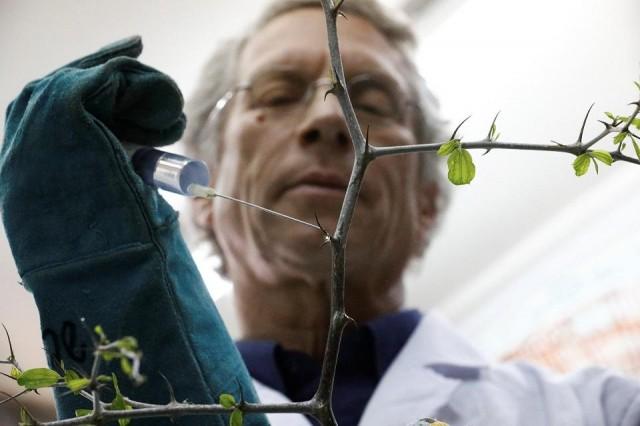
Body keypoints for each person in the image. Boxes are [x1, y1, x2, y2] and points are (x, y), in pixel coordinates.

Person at [0, 1, 639, 426]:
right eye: (277, 95)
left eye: (374, 100)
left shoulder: (596, 411)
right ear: (207, 198)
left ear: (426, 200)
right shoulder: (122, 392)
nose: (331, 119)